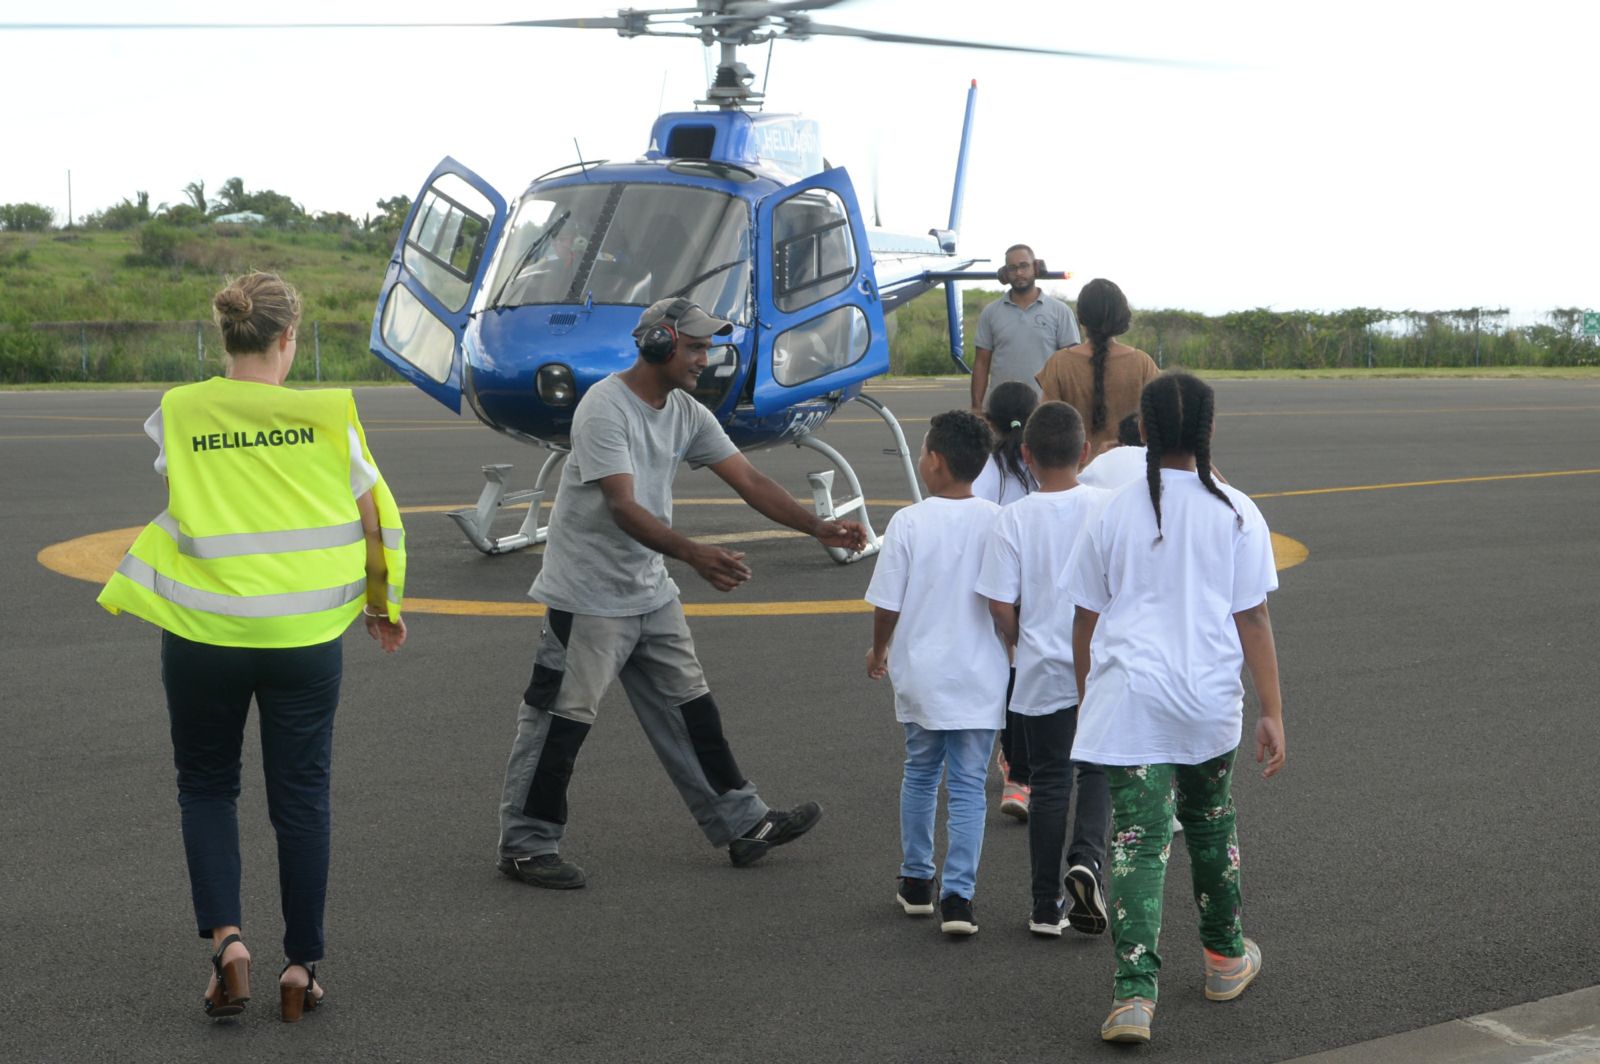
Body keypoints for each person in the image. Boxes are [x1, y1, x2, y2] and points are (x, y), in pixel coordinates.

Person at [97, 272, 408, 1022]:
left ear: (224, 336)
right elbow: (378, 520)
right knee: (301, 799)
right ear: (288, 338)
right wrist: (381, 604)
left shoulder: (178, 411)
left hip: (204, 634)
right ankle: (301, 965)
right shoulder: (332, 415)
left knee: (206, 786)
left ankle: (229, 944)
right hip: (303, 639)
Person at [496, 297, 868, 888]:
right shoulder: (604, 409)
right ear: (658, 345)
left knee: (693, 711)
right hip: (589, 594)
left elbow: (749, 479)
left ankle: (742, 825)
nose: (705, 358)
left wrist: (816, 526)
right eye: (694, 347)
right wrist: (693, 553)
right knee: (559, 721)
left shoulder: (686, 412)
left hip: (649, 589)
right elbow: (622, 505)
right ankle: (525, 845)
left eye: (706, 347)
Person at [1064, 371, 1286, 1045]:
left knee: (1137, 841)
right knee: (1212, 824)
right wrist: (1273, 711)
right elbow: (1253, 620)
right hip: (1208, 699)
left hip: (1129, 699)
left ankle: (1134, 997)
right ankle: (1224, 960)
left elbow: (1083, 620)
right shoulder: (1238, 510)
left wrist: (1088, 697)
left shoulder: (1111, 509)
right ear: (1209, 431)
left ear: (1144, 432)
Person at [865, 411, 1009, 937]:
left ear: (936, 463)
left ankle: (916, 880)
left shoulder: (908, 521)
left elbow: (887, 603)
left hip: (922, 673)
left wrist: (879, 648)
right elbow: (1006, 602)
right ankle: (959, 897)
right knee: (970, 784)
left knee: (921, 772)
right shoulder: (999, 520)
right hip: (981, 675)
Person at [975, 401, 1111, 938]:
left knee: (1050, 780)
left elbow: (998, 604)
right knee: (1098, 769)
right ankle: (1088, 861)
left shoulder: (1013, 518)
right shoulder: (1108, 506)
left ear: (1026, 455)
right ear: (1085, 453)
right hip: (1101, 663)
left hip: (1038, 670)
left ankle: (1043, 903)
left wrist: (1017, 637)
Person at [971, 380, 1037, 822]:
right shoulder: (1042, 464)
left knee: (1008, 672)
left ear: (988, 422)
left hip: (998, 586)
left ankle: (1014, 771)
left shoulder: (984, 468)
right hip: (1041, 586)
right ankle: (1028, 772)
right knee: (1035, 678)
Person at [1036, 278, 1159, 456]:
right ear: (1122, 316)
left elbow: (1045, 424)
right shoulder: (1143, 363)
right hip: (1132, 470)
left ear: (1081, 317)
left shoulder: (1059, 363)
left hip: (1074, 472)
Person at [971, 243, 1081, 409]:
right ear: (1005, 273)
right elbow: (981, 363)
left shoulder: (1060, 311)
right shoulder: (990, 312)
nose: (1019, 273)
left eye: (1024, 266)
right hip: (1000, 409)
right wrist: (976, 407)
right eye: (1012, 268)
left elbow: (1070, 363)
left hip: (1045, 409)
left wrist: (1071, 406)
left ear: (1036, 267)